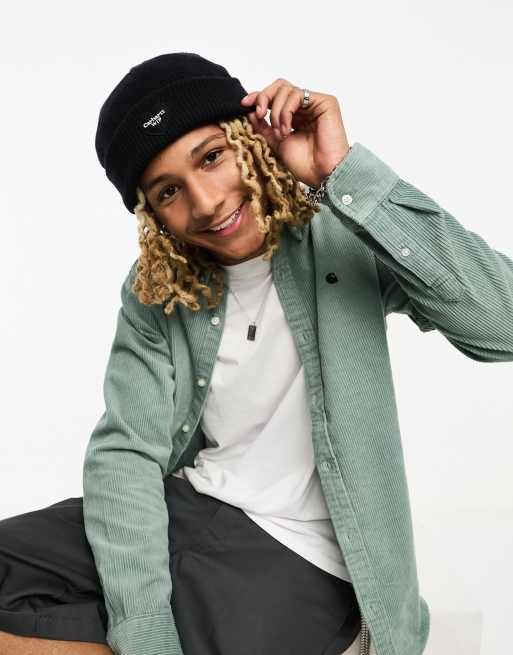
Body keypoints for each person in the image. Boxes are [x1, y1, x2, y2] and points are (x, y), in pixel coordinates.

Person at [1, 52, 512, 655]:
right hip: (191, 507)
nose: (206, 202)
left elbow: (501, 322)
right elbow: (126, 453)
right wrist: (143, 623)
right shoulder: (157, 290)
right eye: (169, 191)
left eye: (211, 157)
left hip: (306, 558)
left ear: (249, 138)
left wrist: (341, 174)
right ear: (151, 214)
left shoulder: (339, 232)